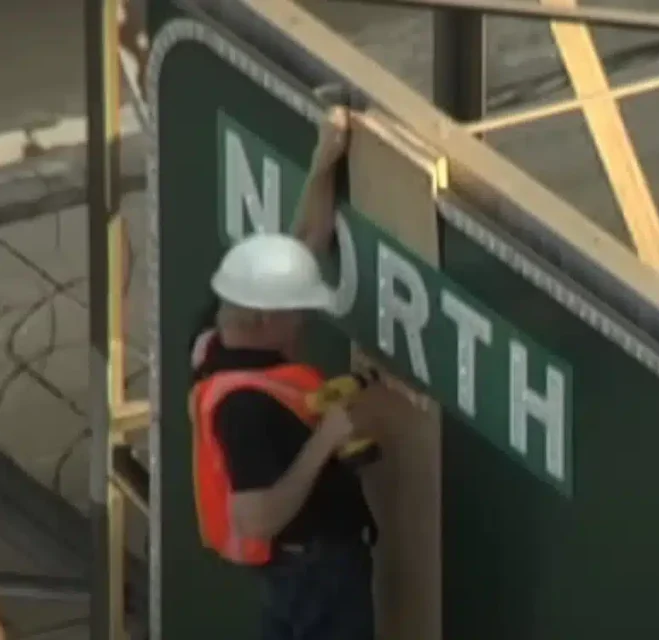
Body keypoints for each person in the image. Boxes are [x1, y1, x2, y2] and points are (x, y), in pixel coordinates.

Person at [189, 106, 385, 640]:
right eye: (297, 313)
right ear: (265, 318)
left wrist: (325, 159)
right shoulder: (243, 409)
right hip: (312, 573)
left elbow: (303, 240)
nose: (304, 323)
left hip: (307, 571)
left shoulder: (218, 334)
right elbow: (256, 519)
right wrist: (326, 441)